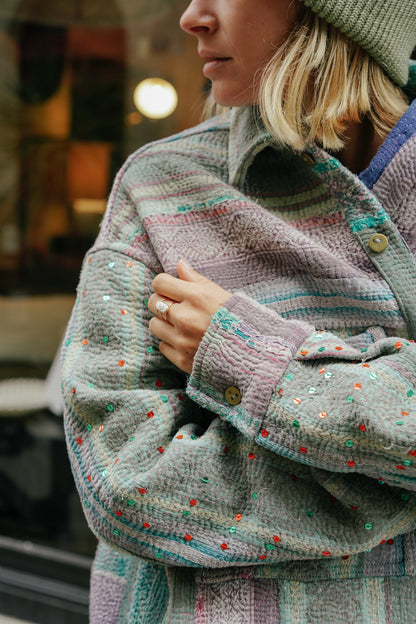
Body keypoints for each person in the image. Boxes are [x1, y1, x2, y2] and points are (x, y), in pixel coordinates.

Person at [62, 0, 416, 622]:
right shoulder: (161, 186)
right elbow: (125, 482)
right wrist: (392, 471)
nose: (192, 17)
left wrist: (249, 357)